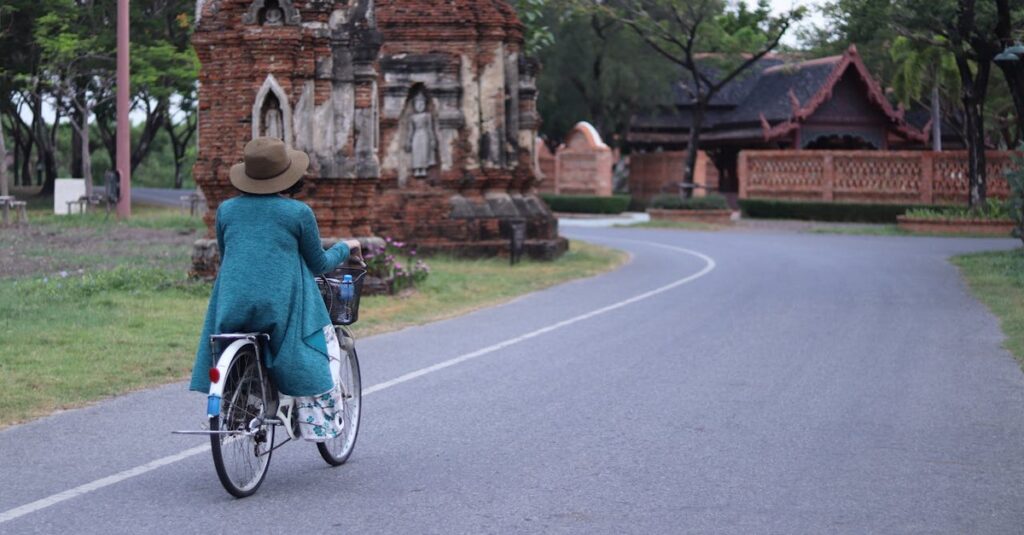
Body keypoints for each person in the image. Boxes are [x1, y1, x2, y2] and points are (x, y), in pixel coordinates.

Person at [189, 136, 361, 441]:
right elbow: (319, 263)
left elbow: (228, 252)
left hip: (232, 303)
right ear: (288, 175)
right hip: (279, 307)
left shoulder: (226, 211)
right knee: (324, 348)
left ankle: (238, 401)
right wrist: (345, 248)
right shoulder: (297, 214)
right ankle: (318, 423)